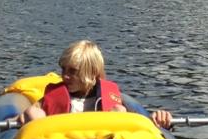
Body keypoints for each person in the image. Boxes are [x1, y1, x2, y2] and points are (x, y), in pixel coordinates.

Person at [12, 39, 173, 129]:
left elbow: (140, 122)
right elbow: (33, 111)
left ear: (92, 73)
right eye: (63, 69)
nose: (65, 76)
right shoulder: (52, 96)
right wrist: (24, 116)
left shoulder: (111, 99)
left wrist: (158, 119)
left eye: (73, 71)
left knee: (119, 111)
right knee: (34, 114)